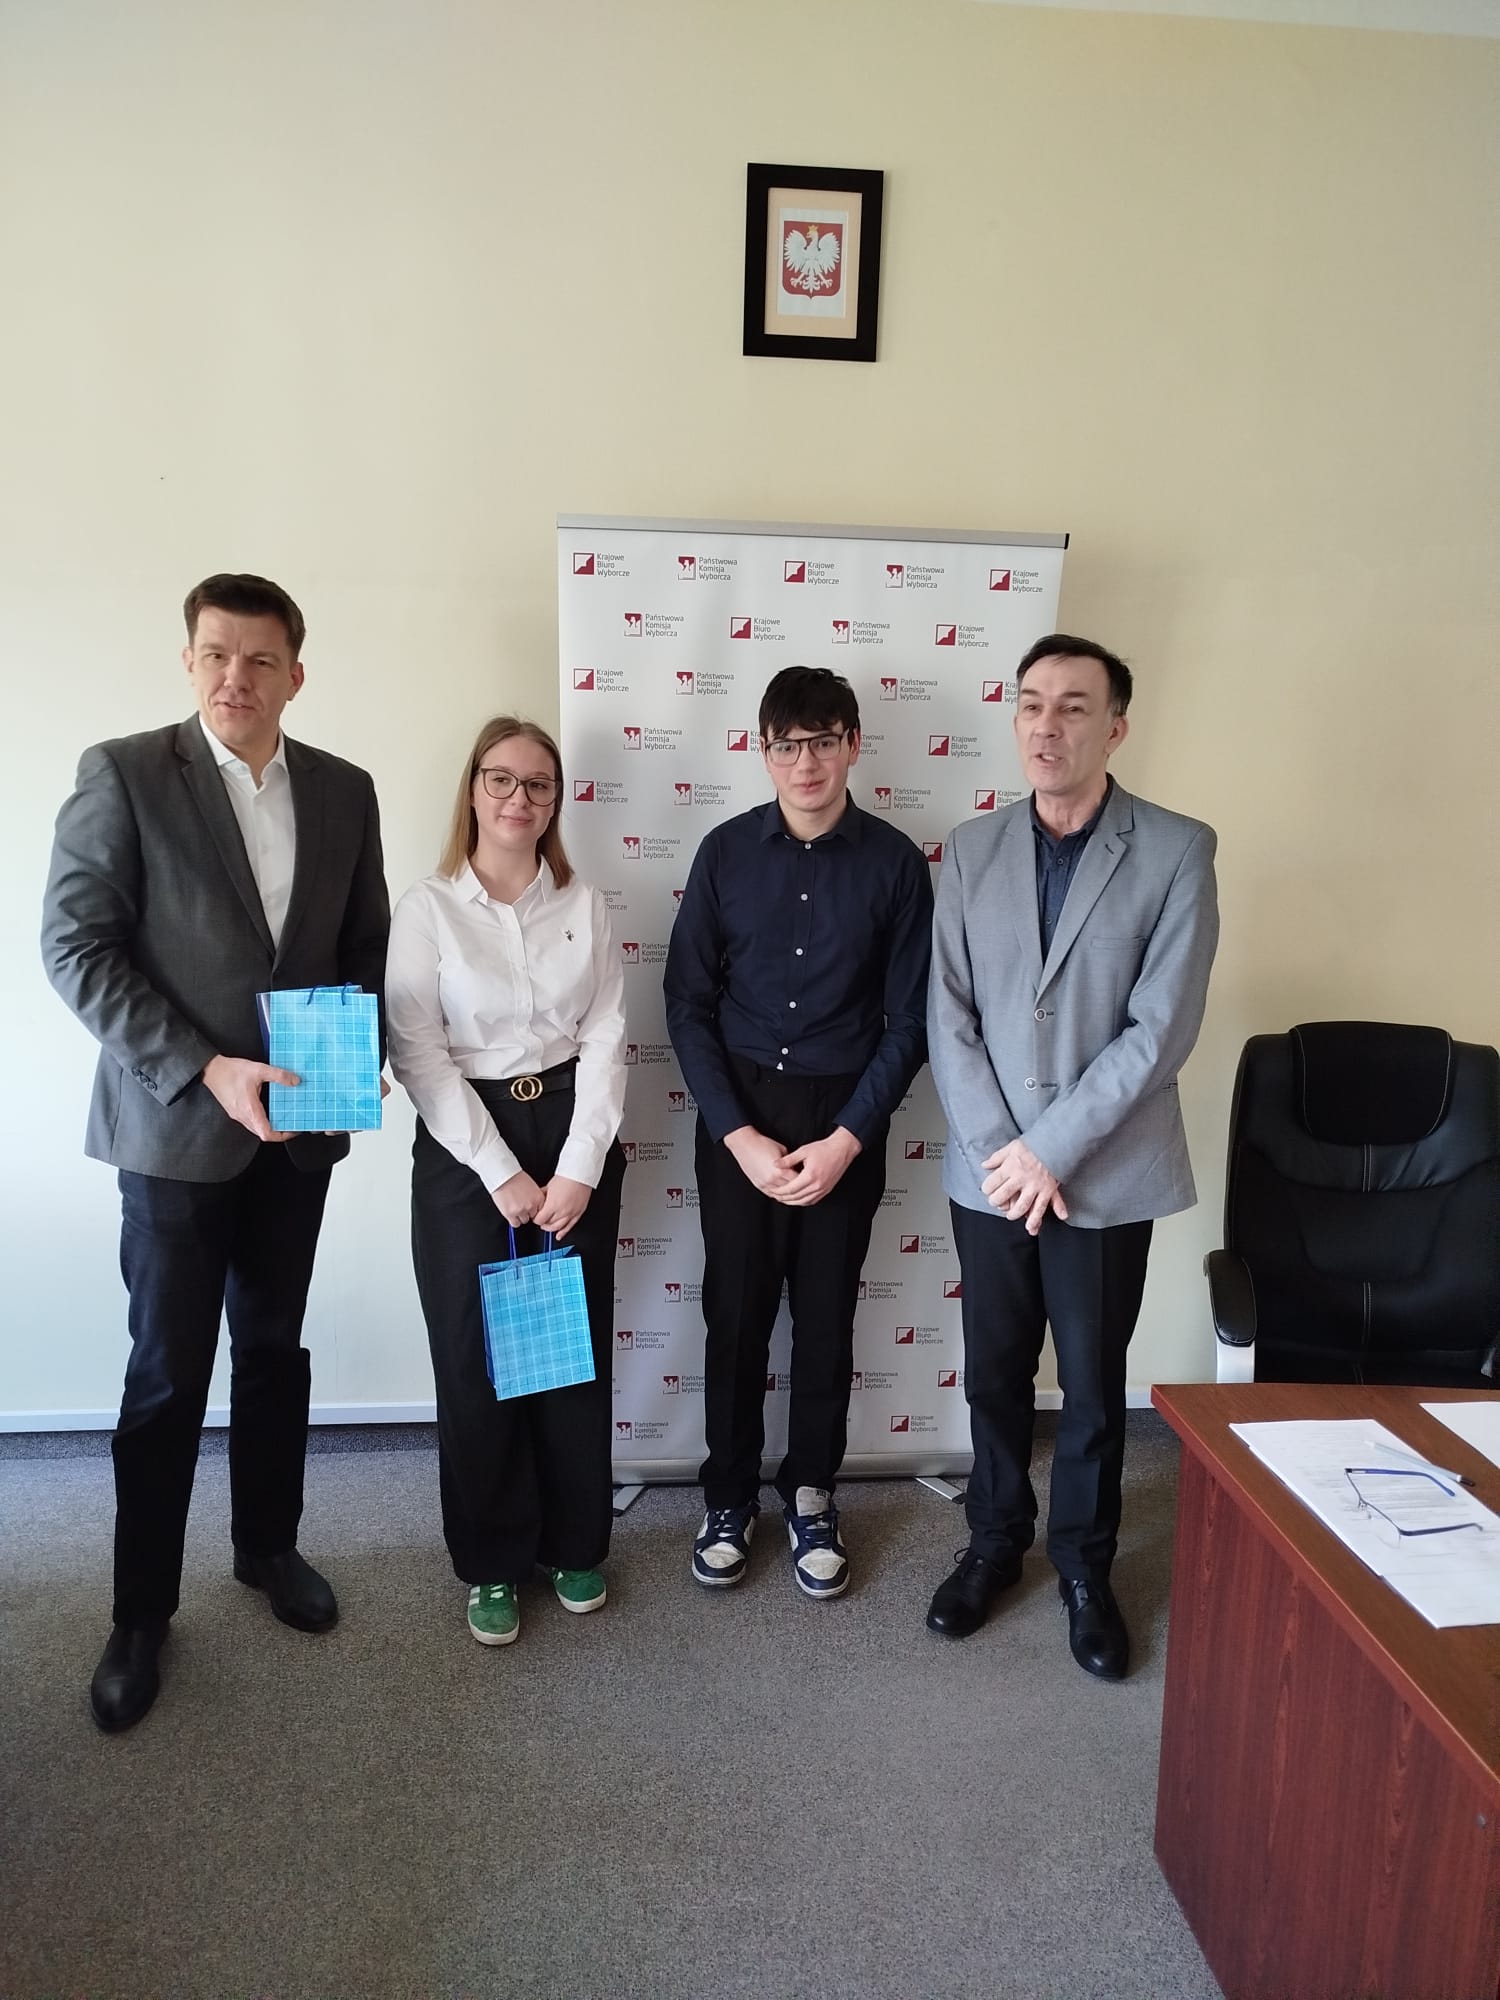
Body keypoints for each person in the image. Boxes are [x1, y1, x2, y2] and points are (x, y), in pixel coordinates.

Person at [41, 573, 390, 1732]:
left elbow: (365, 945)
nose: (236, 676)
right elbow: (77, 947)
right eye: (215, 654)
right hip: (176, 1133)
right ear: (189, 662)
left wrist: (360, 1051)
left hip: (298, 1136)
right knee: (166, 1375)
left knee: (274, 1351)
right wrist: (206, 1068)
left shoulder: (345, 789)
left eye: (260, 658)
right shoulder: (126, 774)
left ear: (297, 673)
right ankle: (140, 1611)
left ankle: (267, 1546)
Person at [925, 634, 1218, 1678]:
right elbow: (948, 1013)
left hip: (1104, 1171)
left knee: (1091, 1387)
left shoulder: (1177, 849)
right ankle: (995, 1541)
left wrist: (1049, 1151)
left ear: (1116, 727)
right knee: (995, 1374)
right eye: (1031, 704)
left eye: (1074, 707)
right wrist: (1006, 1153)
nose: (1047, 726)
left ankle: (1086, 1567)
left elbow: (1160, 1028)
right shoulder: (970, 849)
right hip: (990, 1175)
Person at [665, 666, 932, 1600]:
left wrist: (849, 1137)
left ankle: (812, 1493)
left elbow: (911, 1021)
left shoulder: (895, 864)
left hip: (842, 1120)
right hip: (740, 1116)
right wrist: (735, 1134)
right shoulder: (725, 853)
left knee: (824, 1322)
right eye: (788, 744)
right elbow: (687, 1005)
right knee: (735, 1320)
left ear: (853, 744)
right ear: (762, 750)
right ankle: (728, 1498)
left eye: (823, 741)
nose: (806, 762)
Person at [386, 716, 626, 1649]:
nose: (519, 798)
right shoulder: (428, 908)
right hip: (464, 1147)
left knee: (568, 1353)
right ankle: (491, 1559)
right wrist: (499, 1171)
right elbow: (417, 1049)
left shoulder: (583, 902)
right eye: (502, 779)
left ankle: (574, 1545)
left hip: (570, 1131)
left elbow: (606, 1033)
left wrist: (578, 1167)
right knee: (474, 1360)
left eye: (538, 784)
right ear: (473, 788)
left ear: (555, 800)